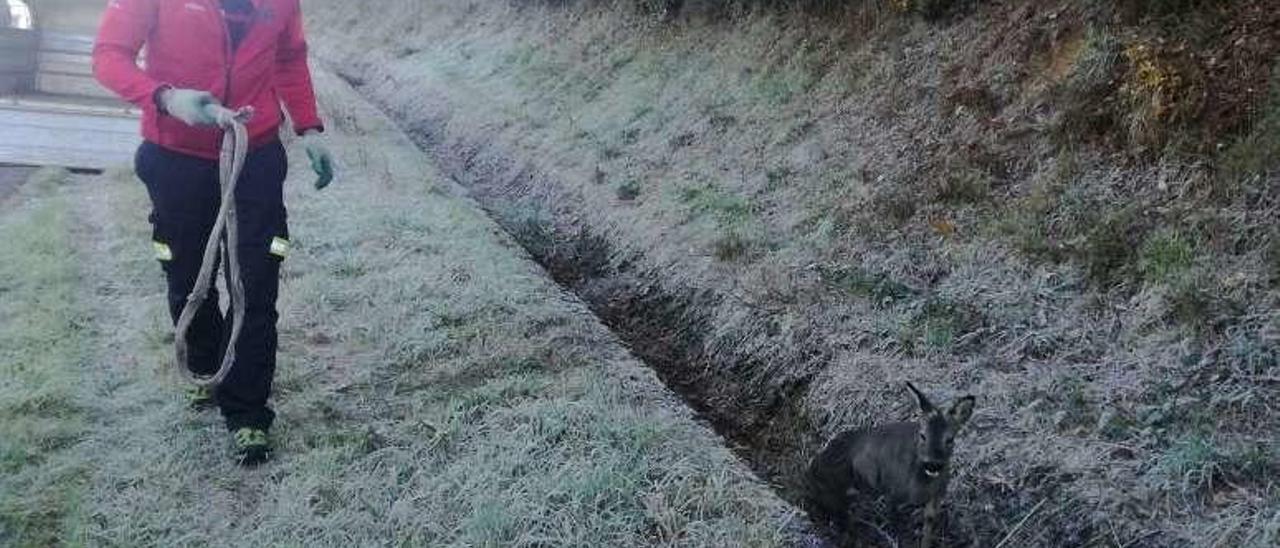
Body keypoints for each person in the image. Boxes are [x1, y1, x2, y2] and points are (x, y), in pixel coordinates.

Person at [93, 0, 335, 464]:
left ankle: (246, 411)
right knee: (188, 277)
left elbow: (289, 57)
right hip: (176, 157)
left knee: (254, 284)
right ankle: (205, 364)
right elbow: (109, 55)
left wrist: (308, 128)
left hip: (255, 155)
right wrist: (166, 97)